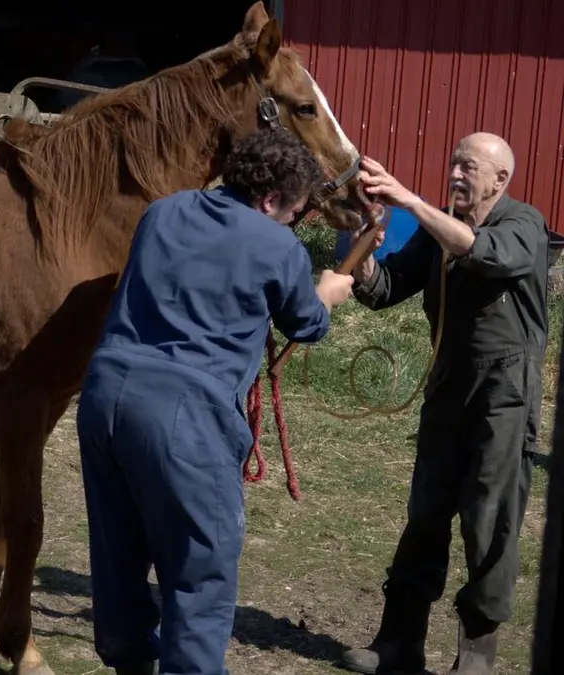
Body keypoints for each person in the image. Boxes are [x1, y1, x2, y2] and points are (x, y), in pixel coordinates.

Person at [75, 127, 356, 675]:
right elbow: (305, 322)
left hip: (106, 393)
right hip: (184, 414)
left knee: (119, 549)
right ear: (272, 200)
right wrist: (328, 293)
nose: (294, 223)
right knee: (200, 564)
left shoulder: (164, 210)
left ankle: (129, 659)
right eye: (295, 212)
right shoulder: (276, 244)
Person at [339, 132, 550, 675]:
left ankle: (475, 655)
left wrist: (409, 200)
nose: (456, 174)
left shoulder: (522, 223)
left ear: (499, 180)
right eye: (453, 163)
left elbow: (485, 254)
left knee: (490, 519)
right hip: (448, 386)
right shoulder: (437, 233)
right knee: (426, 513)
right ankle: (398, 644)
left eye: (469, 167)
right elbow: (385, 288)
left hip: (504, 394)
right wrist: (362, 251)